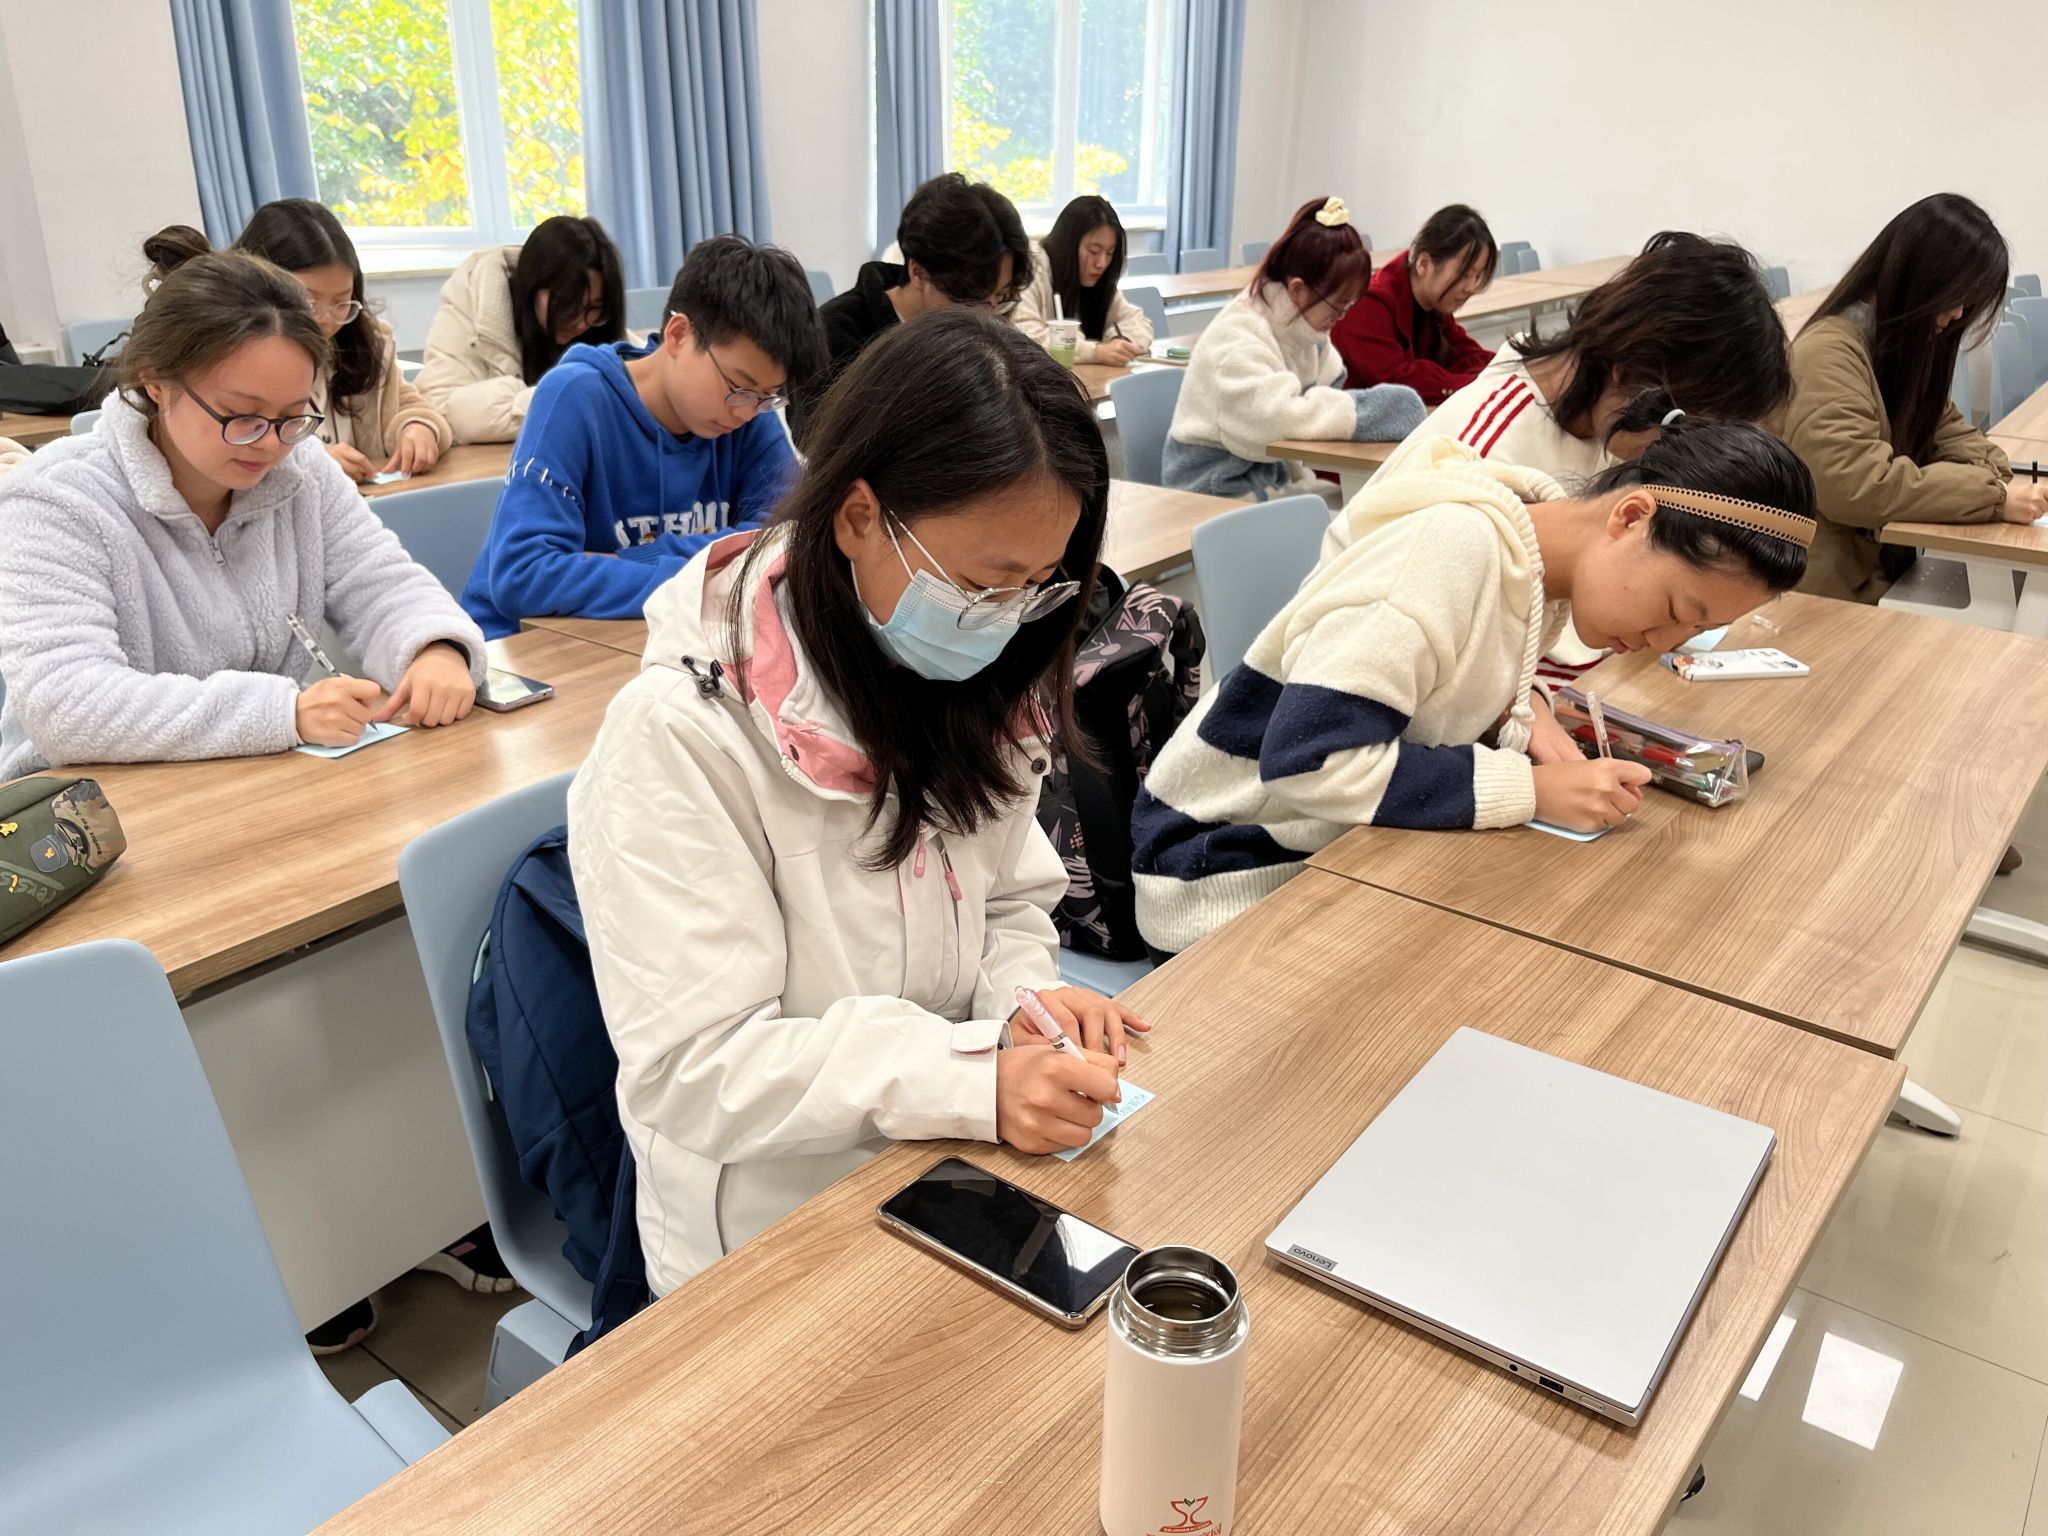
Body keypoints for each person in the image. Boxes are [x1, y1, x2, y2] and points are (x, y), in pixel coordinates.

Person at [567, 310, 1149, 1295]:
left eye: (1037, 587)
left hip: (945, 1158)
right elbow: (697, 1071)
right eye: (984, 582)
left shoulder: (976, 680)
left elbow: (1010, 897)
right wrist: (968, 1078)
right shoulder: (679, 735)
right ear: (858, 517)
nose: (1006, 620)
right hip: (765, 1226)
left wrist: (1022, 1006)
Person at [1131, 420, 1816, 955]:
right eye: (1675, 610)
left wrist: (1524, 709)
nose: (1664, 643)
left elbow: (1445, 681)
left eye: (1696, 631)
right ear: (1631, 518)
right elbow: (1309, 762)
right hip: (1222, 874)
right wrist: (1531, 791)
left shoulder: (1535, 563)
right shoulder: (1445, 553)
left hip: (1334, 846)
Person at [0, 235, 486, 777]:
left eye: (293, 416)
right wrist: (282, 712)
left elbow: (382, 583)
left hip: (255, 778)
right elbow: (65, 703)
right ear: (155, 381)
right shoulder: (56, 498)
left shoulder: (304, 471)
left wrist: (435, 647)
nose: (271, 444)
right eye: (241, 415)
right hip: (89, 801)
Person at [460, 235, 824, 639]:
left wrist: (636, 558)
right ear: (679, 334)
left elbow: (789, 540)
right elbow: (522, 575)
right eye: (738, 386)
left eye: (767, 396)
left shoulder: (748, 411)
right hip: (519, 646)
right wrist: (715, 570)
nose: (746, 411)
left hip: (647, 636)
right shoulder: (575, 397)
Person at [1357, 231, 1791, 496]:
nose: (1680, 452)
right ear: (1630, 370)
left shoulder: (1607, 423)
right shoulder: (1479, 465)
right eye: (1680, 427)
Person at [1778, 193, 2045, 604]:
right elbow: (1857, 486)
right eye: (1954, 297)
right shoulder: (1828, 354)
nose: (1958, 314)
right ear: (1918, 279)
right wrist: (1991, 497)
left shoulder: (1898, 350)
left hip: (1877, 568)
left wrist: (1993, 485)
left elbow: (1954, 433)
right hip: (1826, 590)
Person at [1162, 195, 1427, 503]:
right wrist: (1366, 412)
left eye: (1348, 306)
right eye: (1337, 305)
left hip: (1269, 476)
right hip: (1213, 486)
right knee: (1348, 519)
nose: (1341, 317)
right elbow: (1275, 421)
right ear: (1298, 289)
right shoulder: (1238, 336)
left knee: (1368, 507)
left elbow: (1329, 383)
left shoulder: (1304, 327)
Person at [788, 173, 1029, 448]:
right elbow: (813, 441)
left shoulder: (985, 328)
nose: (987, 316)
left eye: (999, 296)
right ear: (919, 273)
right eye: (970, 300)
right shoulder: (836, 332)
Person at [221, 202, 453, 484]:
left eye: (341, 302)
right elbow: (226, 451)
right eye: (309, 302)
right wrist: (315, 461)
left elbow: (405, 402)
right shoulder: (229, 359)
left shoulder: (365, 342)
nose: (327, 321)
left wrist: (418, 427)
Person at [417, 214, 626, 444]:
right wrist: (568, 398)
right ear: (533, 286)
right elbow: (441, 412)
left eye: (594, 308)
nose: (580, 323)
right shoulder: (472, 303)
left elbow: (628, 383)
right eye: (568, 306)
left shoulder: (599, 326)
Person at [1331, 204, 1498, 406]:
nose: (1471, 287)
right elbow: (1399, 381)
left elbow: (1464, 352)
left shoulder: (1433, 303)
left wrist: (1507, 369)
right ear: (1423, 263)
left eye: (1478, 276)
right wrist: (1481, 383)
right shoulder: (1368, 304)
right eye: (1465, 274)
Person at [1008, 195, 1154, 365]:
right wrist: (1095, 352)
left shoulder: (1099, 281)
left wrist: (1120, 342)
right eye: (1094, 251)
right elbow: (1023, 337)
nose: (1101, 263)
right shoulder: (1033, 267)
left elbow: (1138, 321)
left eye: (1110, 253)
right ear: (1068, 244)